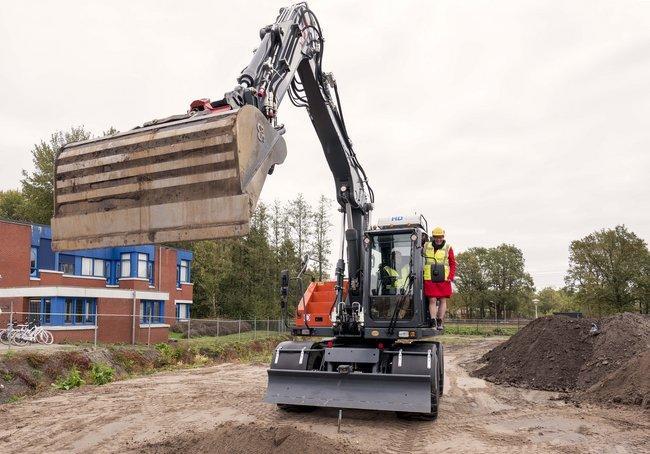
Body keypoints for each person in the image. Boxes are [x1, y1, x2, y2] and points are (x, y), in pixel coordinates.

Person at [423, 226, 456, 329]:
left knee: (443, 300)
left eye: (440, 237)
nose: (438, 239)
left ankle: (440, 321)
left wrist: (451, 276)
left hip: (444, 277)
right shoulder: (426, 245)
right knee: (432, 300)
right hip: (429, 277)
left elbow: (452, 263)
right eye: (436, 237)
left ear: (443, 236)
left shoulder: (448, 247)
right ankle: (433, 321)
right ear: (433, 237)